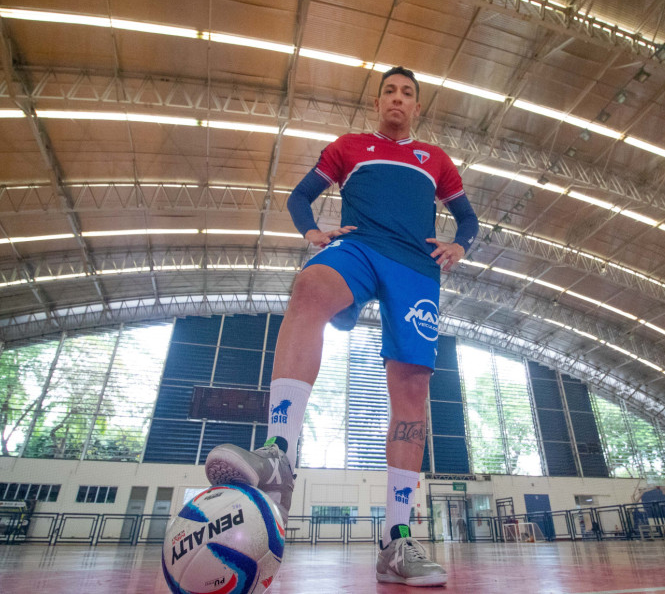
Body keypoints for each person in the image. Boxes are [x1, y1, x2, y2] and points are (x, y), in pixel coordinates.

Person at [204, 66, 478, 587]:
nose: (398, 99)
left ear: (417, 108)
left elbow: (468, 219)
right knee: (308, 288)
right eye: (390, 92)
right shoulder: (350, 147)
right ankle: (280, 454)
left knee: (413, 388)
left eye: (407, 94)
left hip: (416, 268)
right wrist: (312, 231)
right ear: (378, 103)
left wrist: (460, 245)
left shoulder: (435, 160)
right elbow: (298, 197)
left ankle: (397, 539)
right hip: (358, 246)